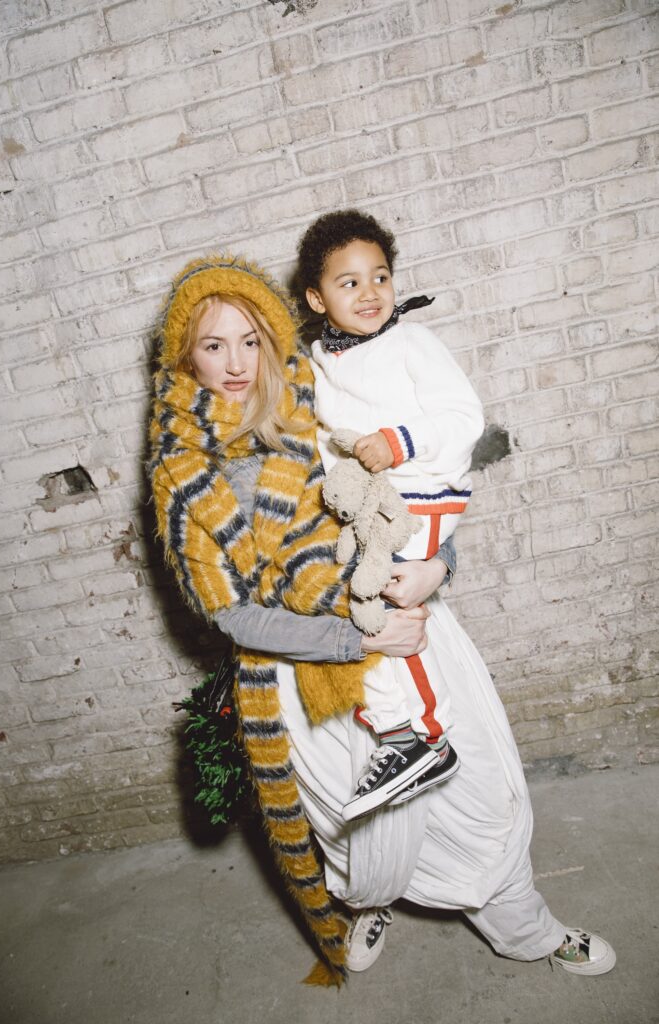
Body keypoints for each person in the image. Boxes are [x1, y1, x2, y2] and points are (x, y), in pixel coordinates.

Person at [149, 253, 615, 984]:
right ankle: (373, 901)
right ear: (185, 355)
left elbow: (412, 498)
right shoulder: (180, 471)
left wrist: (440, 566)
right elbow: (231, 614)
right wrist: (352, 639)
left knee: (475, 796)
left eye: (250, 341)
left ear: (273, 339)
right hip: (305, 671)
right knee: (353, 824)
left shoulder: (316, 401)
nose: (236, 363)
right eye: (213, 345)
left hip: (407, 629)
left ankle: (526, 928)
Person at [299, 209, 485, 821]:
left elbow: (464, 418)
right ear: (317, 299)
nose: (370, 292)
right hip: (373, 504)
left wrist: (398, 441)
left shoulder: (411, 342)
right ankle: (395, 729)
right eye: (349, 282)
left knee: (388, 605)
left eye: (380, 277)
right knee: (359, 605)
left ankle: (427, 738)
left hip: (424, 492)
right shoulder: (320, 361)